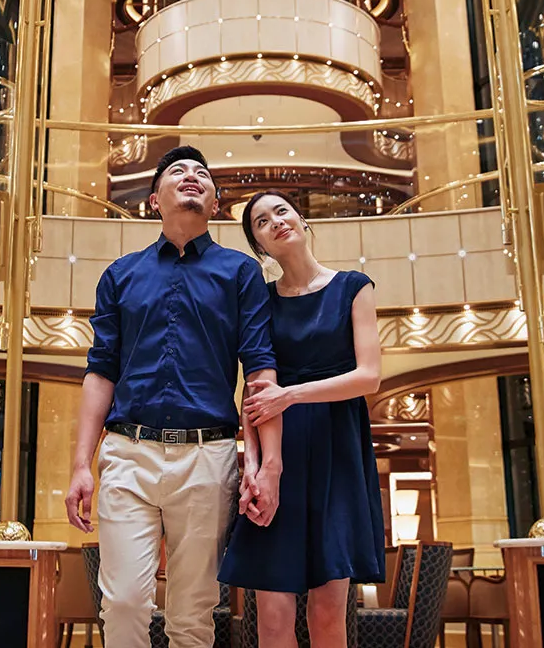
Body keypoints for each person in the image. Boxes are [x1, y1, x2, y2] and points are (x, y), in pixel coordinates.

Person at [65, 146, 284, 648]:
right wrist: (82, 464)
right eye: (178, 171)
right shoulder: (120, 275)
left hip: (208, 456)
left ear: (215, 203)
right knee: (123, 603)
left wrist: (266, 463)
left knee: (193, 615)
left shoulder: (241, 273)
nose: (192, 176)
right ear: (153, 200)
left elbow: (259, 369)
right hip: (128, 453)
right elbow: (100, 372)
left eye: (202, 174)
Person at [219, 189, 384, 648]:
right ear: (259, 246)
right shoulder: (260, 301)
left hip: (338, 448)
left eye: (282, 211)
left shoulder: (353, 286)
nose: (275, 222)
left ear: (302, 220)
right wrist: (253, 464)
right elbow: (253, 390)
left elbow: (368, 377)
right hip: (280, 452)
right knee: (272, 617)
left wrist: (289, 395)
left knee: (328, 613)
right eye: (261, 222)